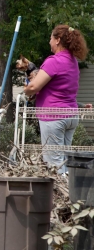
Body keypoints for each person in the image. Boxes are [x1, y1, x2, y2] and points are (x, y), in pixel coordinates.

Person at [24, 25, 89, 173]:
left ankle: (56, 195)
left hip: (53, 116)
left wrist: (26, 90)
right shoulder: (73, 62)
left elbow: (34, 87)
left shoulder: (54, 61)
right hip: (70, 116)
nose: (49, 42)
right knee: (64, 161)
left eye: (50, 38)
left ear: (58, 40)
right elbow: (57, 87)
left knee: (53, 163)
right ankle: (70, 193)